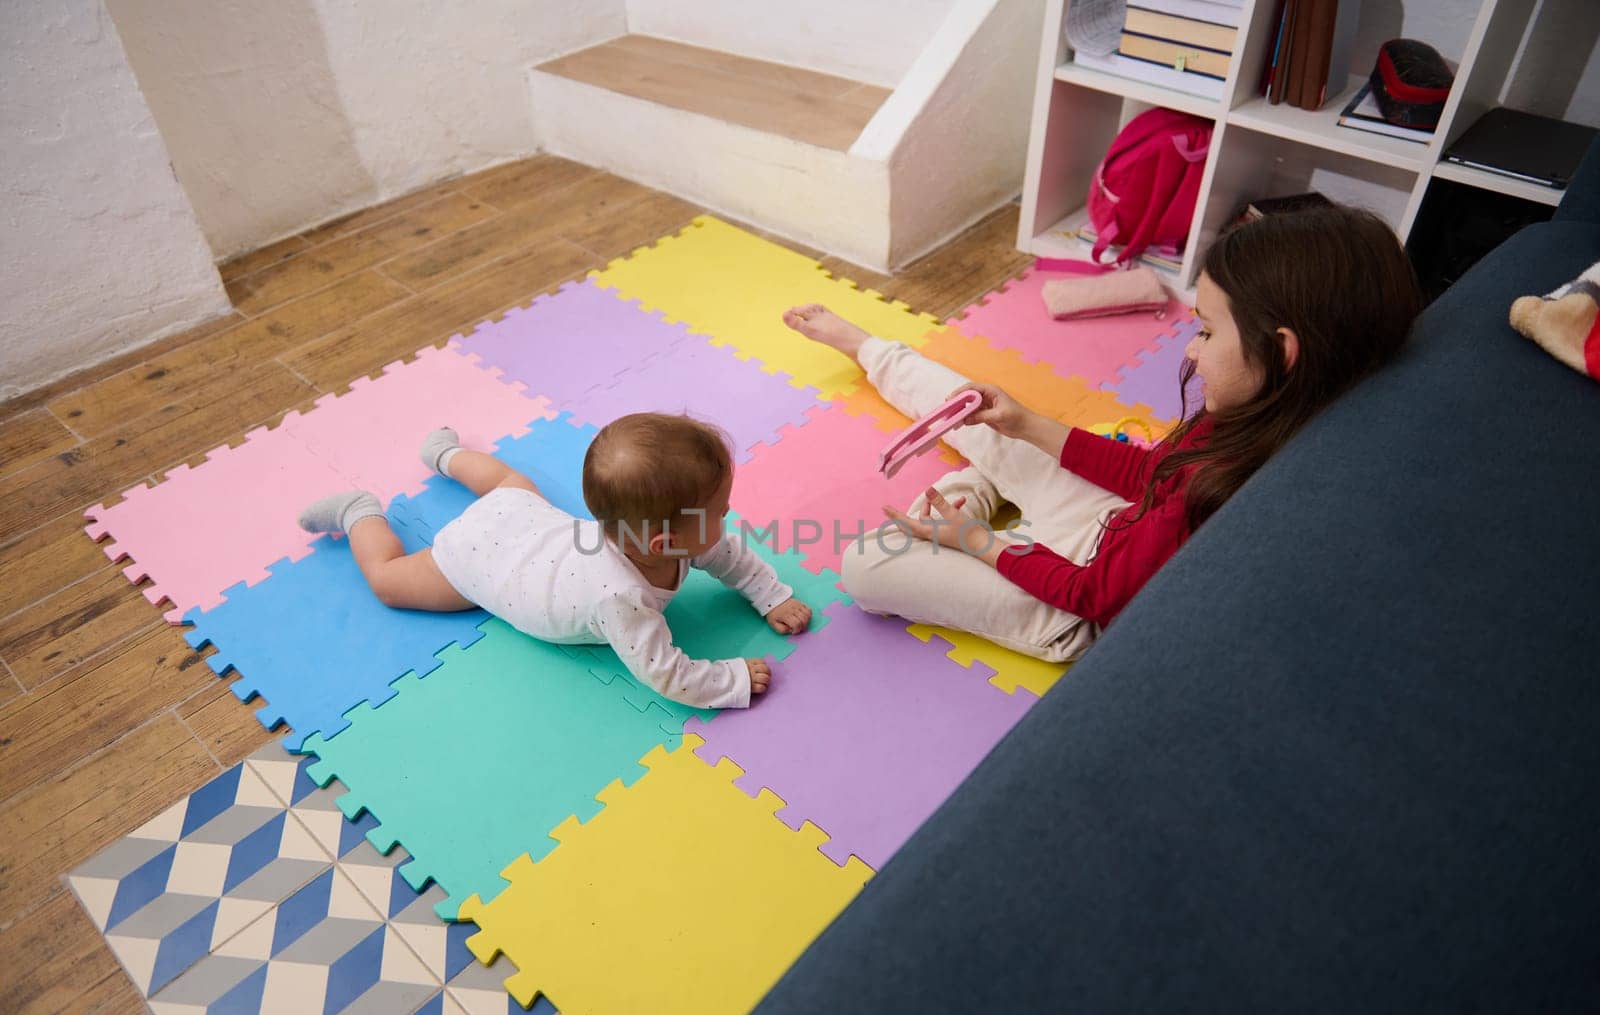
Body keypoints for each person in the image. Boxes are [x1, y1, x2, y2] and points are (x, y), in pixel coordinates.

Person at [784, 205, 1423, 662]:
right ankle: (870, 349)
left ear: (1282, 352)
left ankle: (974, 505)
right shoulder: (1260, 412)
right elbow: (1151, 475)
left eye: (1205, 331)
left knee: (863, 567)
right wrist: (1028, 423)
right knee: (981, 409)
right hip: (1122, 523)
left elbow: (1091, 593)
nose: (1193, 354)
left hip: (1078, 601)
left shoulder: (1233, 487)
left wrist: (975, 542)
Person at [296, 414, 813, 709]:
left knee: (508, 484)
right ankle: (360, 514)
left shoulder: (686, 537)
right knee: (388, 581)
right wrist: (732, 679)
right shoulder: (621, 597)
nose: (727, 519)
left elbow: (730, 557)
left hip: (524, 519)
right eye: (720, 510)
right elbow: (667, 673)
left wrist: (770, 595)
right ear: (661, 543)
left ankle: (444, 457)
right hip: (479, 569)